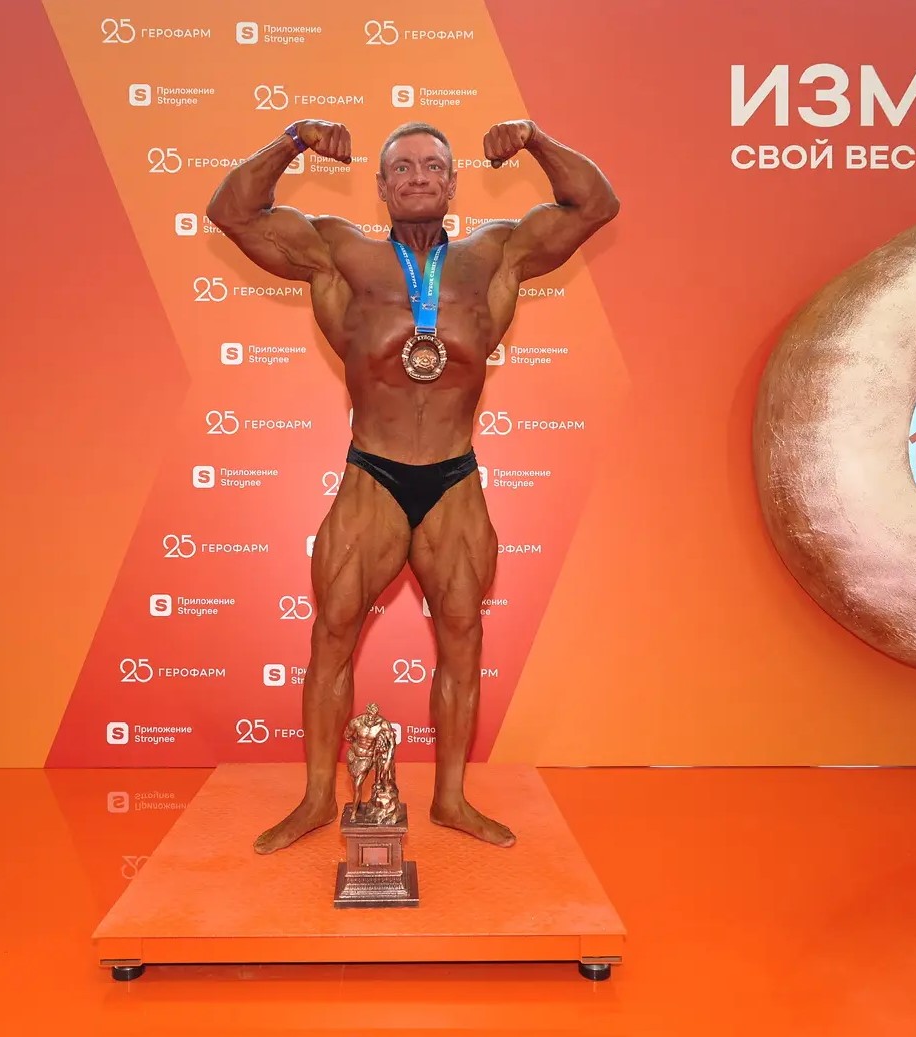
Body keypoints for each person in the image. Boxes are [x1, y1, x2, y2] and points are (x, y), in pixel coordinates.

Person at [205, 118, 619, 854]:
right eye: (403, 167)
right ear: (382, 185)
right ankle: (316, 799)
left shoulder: (495, 255)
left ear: (453, 182)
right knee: (332, 634)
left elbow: (595, 205)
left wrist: (534, 139)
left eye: (432, 165)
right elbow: (232, 212)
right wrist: (294, 141)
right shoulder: (341, 254)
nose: (418, 176)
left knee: (463, 639)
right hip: (374, 471)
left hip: (454, 478)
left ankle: (452, 799)